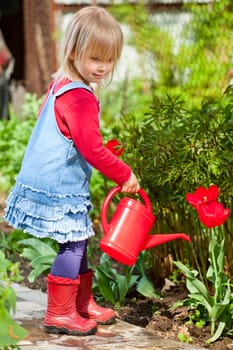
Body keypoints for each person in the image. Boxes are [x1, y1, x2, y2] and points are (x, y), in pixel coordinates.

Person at [4, 6, 140, 336]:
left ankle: (81, 302)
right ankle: (60, 312)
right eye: (96, 58)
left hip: (48, 180)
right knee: (74, 245)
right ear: (74, 52)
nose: (103, 67)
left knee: (77, 238)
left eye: (110, 60)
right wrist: (125, 174)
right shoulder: (79, 98)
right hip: (58, 186)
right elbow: (92, 149)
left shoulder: (62, 85)